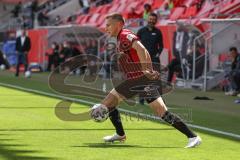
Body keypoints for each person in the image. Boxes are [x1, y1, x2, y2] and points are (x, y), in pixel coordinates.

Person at [101, 13, 201, 148]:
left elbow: (142, 49)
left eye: (108, 25)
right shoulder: (121, 37)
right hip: (134, 80)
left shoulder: (124, 35)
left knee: (162, 112)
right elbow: (142, 52)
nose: (105, 28)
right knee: (108, 104)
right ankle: (120, 134)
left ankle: (193, 137)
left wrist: (146, 70)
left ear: (118, 24)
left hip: (142, 80)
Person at [137, 12, 163, 105]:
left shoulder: (158, 32)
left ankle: (159, 99)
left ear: (156, 21)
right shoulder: (141, 31)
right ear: (147, 19)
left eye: (153, 20)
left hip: (154, 59)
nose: (151, 21)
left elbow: (161, 46)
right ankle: (142, 99)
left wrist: (158, 54)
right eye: (150, 19)